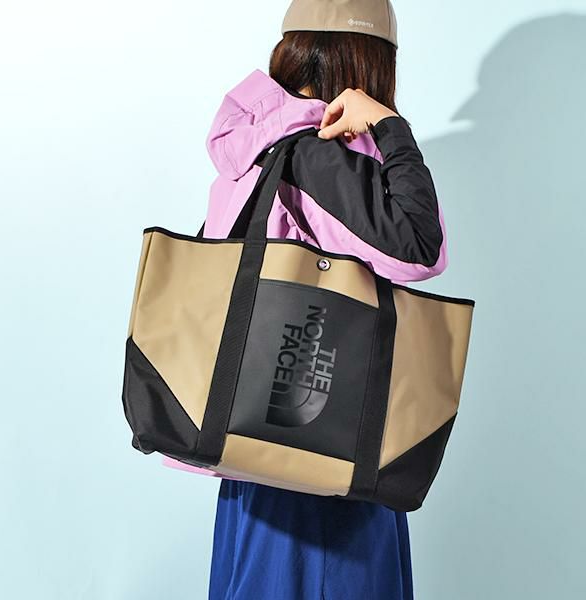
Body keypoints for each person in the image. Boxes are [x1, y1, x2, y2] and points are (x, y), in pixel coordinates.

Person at [164, 1, 447, 598]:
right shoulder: (320, 153)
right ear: (368, 62)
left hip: (255, 446)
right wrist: (389, 127)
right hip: (319, 449)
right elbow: (420, 248)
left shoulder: (254, 148)